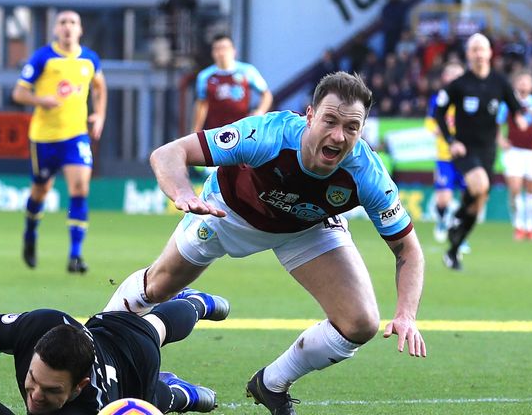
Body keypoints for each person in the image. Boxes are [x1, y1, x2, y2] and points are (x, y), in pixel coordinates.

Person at [104, 72, 427, 415]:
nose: (338, 135)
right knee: (157, 287)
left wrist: (406, 314)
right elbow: (169, 153)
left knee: (360, 323)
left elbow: (408, 249)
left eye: (351, 127)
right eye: (330, 120)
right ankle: (99, 352)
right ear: (309, 116)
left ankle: (271, 384)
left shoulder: (368, 174)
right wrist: (183, 193)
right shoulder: (267, 135)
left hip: (304, 228)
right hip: (226, 212)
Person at [0, 288, 229, 414]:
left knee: (156, 332)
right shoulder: (40, 325)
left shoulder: (82, 412)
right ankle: (196, 305)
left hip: (130, 361)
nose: (34, 394)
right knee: (152, 325)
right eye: (33, 378)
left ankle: (194, 305)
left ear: (79, 387)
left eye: (51, 390)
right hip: (97, 338)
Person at [12, 10, 107, 274]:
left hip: (75, 136)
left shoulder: (89, 59)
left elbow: (100, 87)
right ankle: (30, 233)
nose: (68, 27)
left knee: (80, 189)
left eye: (73, 22)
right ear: (56, 29)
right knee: (41, 191)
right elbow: (18, 93)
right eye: (63, 23)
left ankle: (75, 256)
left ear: (80, 29)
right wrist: (40, 100)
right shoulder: (43, 57)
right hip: (44, 138)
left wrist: (99, 114)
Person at [434, 33, 526, 271]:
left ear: (489, 53)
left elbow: (516, 108)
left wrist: (520, 120)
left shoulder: (500, 82)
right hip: (465, 149)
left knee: (477, 204)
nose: (478, 54)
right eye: (473, 49)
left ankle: (453, 250)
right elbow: (439, 113)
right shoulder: (460, 84)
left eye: (481, 49)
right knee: (480, 185)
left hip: (488, 151)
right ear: (468, 54)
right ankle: (456, 218)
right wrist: (451, 140)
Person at [496, 71, 532, 241]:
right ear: (516, 84)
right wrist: (500, 140)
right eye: (521, 81)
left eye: (527, 82)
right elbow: (497, 125)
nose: (524, 85)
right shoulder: (507, 104)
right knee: (515, 189)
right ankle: (518, 226)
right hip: (513, 152)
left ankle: (530, 227)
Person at [425, 61, 470, 250]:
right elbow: (430, 123)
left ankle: (460, 235)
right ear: (446, 78)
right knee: (444, 198)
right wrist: (443, 131)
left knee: (468, 197)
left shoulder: (468, 100)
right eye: (452, 75)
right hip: (444, 155)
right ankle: (443, 219)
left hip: (466, 156)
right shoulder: (438, 99)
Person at [192, 34, 273, 133]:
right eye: (217, 49)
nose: (221, 53)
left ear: (233, 51)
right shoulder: (205, 76)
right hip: (214, 131)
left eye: (224, 48)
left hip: (242, 130)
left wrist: (260, 111)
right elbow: (202, 104)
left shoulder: (247, 71)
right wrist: (196, 130)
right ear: (213, 53)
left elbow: (266, 94)